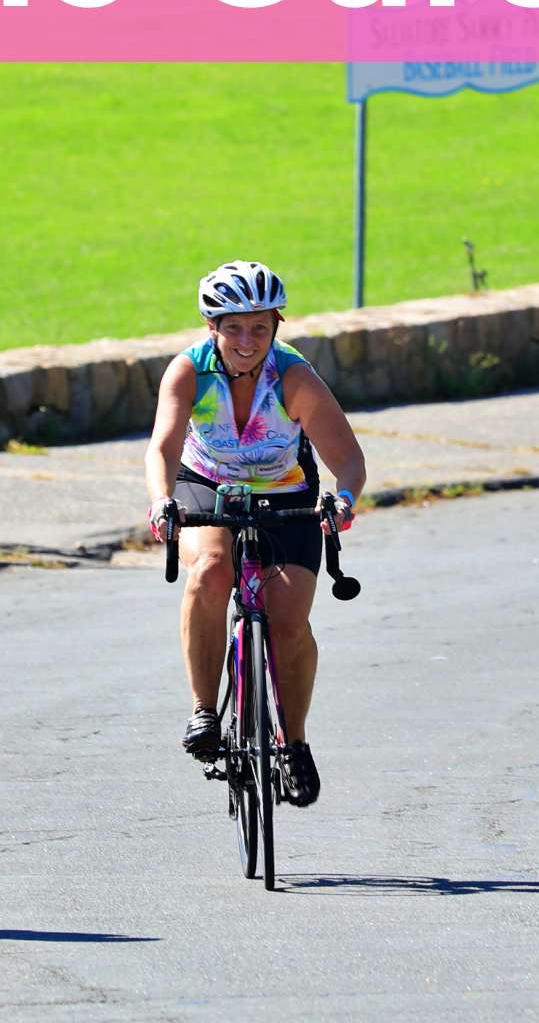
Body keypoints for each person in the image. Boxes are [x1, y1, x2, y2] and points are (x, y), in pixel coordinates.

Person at [144, 261, 367, 807]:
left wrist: (343, 500)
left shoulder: (293, 378)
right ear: (211, 325)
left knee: (290, 624)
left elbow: (349, 460)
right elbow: (164, 448)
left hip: (286, 492)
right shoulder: (189, 372)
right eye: (233, 327)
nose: (247, 341)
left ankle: (293, 743)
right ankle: (203, 710)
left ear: (276, 325)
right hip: (207, 484)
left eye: (260, 327)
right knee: (209, 572)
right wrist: (161, 501)